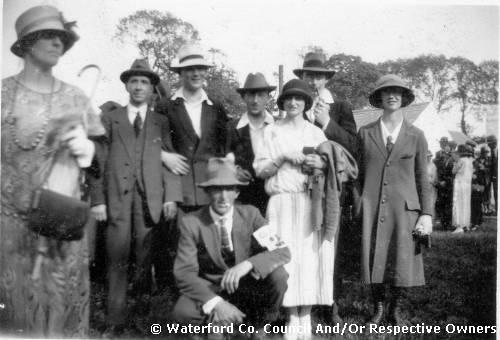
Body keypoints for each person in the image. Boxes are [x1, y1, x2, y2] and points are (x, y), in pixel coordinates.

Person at [0, 5, 104, 337]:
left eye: (61, 37)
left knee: (60, 308)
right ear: (26, 44)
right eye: (48, 35)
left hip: (58, 224)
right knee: (15, 314)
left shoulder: (75, 97)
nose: (57, 43)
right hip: (9, 227)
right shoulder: (1, 94)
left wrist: (88, 152)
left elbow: (102, 155)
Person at [89, 59, 183, 334]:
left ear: (153, 88)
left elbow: (171, 161)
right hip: (117, 199)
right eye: (134, 82)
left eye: (144, 82)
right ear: (127, 85)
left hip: (149, 201)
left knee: (144, 260)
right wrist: (98, 200)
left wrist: (171, 197)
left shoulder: (160, 122)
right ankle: (115, 321)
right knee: (116, 260)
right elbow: (97, 163)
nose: (139, 87)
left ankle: (142, 319)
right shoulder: (110, 119)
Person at [172, 156, 290, 339]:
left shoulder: (250, 214)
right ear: (208, 192)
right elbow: (184, 273)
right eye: (217, 189)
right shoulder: (191, 222)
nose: (223, 196)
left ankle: (259, 326)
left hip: (245, 287)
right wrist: (217, 303)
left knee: (279, 276)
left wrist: (248, 264)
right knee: (183, 311)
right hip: (212, 288)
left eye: (229, 189)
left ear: (237, 192)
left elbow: (282, 251)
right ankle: (217, 323)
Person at [254, 79, 333, 339]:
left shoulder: (315, 133)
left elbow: (329, 165)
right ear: (282, 102)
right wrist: (282, 157)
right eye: (288, 98)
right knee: (284, 257)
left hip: (310, 201)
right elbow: (261, 171)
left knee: (309, 258)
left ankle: (305, 316)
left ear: (306, 102)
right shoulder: (270, 131)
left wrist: (318, 163)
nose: (293, 102)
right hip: (280, 201)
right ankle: (290, 317)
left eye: (299, 98)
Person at [356, 74, 432, 325]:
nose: (392, 96)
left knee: (401, 259)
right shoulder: (365, 133)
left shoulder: (416, 135)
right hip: (373, 206)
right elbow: (358, 174)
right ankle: (377, 307)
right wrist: (359, 203)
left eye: (397, 92)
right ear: (379, 98)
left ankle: (395, 309)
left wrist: (427, 214)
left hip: (405, 209)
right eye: (386, 92)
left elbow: (423, 177)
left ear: (404, 98)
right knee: (374, 257)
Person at [294, 51, 358, 324]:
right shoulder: (295, 104)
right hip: (300, 184)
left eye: (318, 76)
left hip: (331, 186)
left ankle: (331, 303)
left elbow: (353, 146)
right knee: (302, 243)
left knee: (331, 243)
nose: (313, 80)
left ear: (325, 79)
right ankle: (303, 300)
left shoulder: (340, 107)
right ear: (303, 77)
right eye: (309, 75)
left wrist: (327, 123)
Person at [158, 43, 229, 211]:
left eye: (200, 68)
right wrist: (163, 156)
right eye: (190, 69)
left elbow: (224, 149)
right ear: (180, 73)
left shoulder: (216, 107)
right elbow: (152, 143)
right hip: (179, 193)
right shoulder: (165, 107)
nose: (196, 73)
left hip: (211, 191)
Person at [226, 72, 276, 215]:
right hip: (242, 198)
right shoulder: (231, 128)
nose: (255, 100)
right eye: (251, 95)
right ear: (243, 97)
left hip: (273, 197)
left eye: (260, 95)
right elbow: (221, 156)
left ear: (268, 97)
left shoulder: (278, 126)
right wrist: (233, 171)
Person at [451, 145, 474, 233]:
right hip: (467, 184)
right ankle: (465, 224)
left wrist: (455, 163)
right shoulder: (470, 161)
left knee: (458, 203)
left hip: (460, 183)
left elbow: (453, 171)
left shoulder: (460, 161)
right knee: (466, 203)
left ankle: (459, 225)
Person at [434, 137, 454, 230]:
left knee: (448, 203)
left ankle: (448, 222)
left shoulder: (452, 155)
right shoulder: (437, 154)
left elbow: (451, 170)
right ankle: (443, 222)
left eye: (445, 143)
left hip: (449, 182)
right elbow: (436, 168)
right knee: (441, 203)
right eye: (442, 143)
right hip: (440, 182)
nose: (443, 144)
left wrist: (446, 180)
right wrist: (439, 181)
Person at [427, 150, 438, 219]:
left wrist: (430, 181)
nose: (428, 158)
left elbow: (434, 177)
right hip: (423, 186)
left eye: (429, 157)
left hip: (430, 186)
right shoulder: (421, 165)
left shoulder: (433, 166)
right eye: (427, 157)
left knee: (431, 203)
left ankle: (431, 220)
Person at [487, 135, 497, 212]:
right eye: (489, 144)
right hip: (488, 175)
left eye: (492, 143)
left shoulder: (497, 151)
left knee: (496, 191)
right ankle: (489, 208)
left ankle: (497, 208)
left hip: (496, 175)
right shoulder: (488, 153)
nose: (490, 145)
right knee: (488, 192)